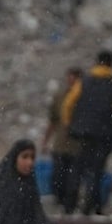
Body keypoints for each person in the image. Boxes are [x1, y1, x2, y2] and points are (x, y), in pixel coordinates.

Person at [60, 51, 112, 215]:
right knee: (96, 170)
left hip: (82, 132)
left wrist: (68, 124)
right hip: (104, 134)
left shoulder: (84, 81)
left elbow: (68, 103)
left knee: (77, 168)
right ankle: (89, 207)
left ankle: (69, 205)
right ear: (111, 64)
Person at [41, 66, 82, 207]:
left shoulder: (84, 98)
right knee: (58, 175)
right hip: (60, 143)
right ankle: (60, 200)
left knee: (72, 179)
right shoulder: (60, 97)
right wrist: (45, 141)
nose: (71, 80)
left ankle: (69, 204)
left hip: (77, 145)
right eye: (69, 77)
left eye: (74, 77)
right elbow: (52, 121)